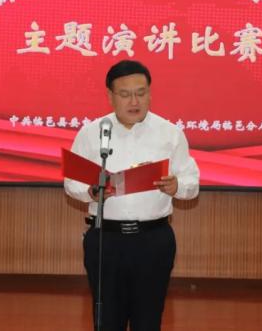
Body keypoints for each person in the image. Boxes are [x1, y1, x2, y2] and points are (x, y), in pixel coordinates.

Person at [64, 60, 200, 331]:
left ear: (150, 93)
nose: (134, 101)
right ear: (110, 96)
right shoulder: (92, 133)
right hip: (105, 239)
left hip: (153, 240)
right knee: (107, 319)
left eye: (141, 93)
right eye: (125, 94)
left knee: (148, 319)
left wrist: (177, 186)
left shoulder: (170, 133)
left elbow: (191, 182)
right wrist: (91, 191)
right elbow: (71, 182)